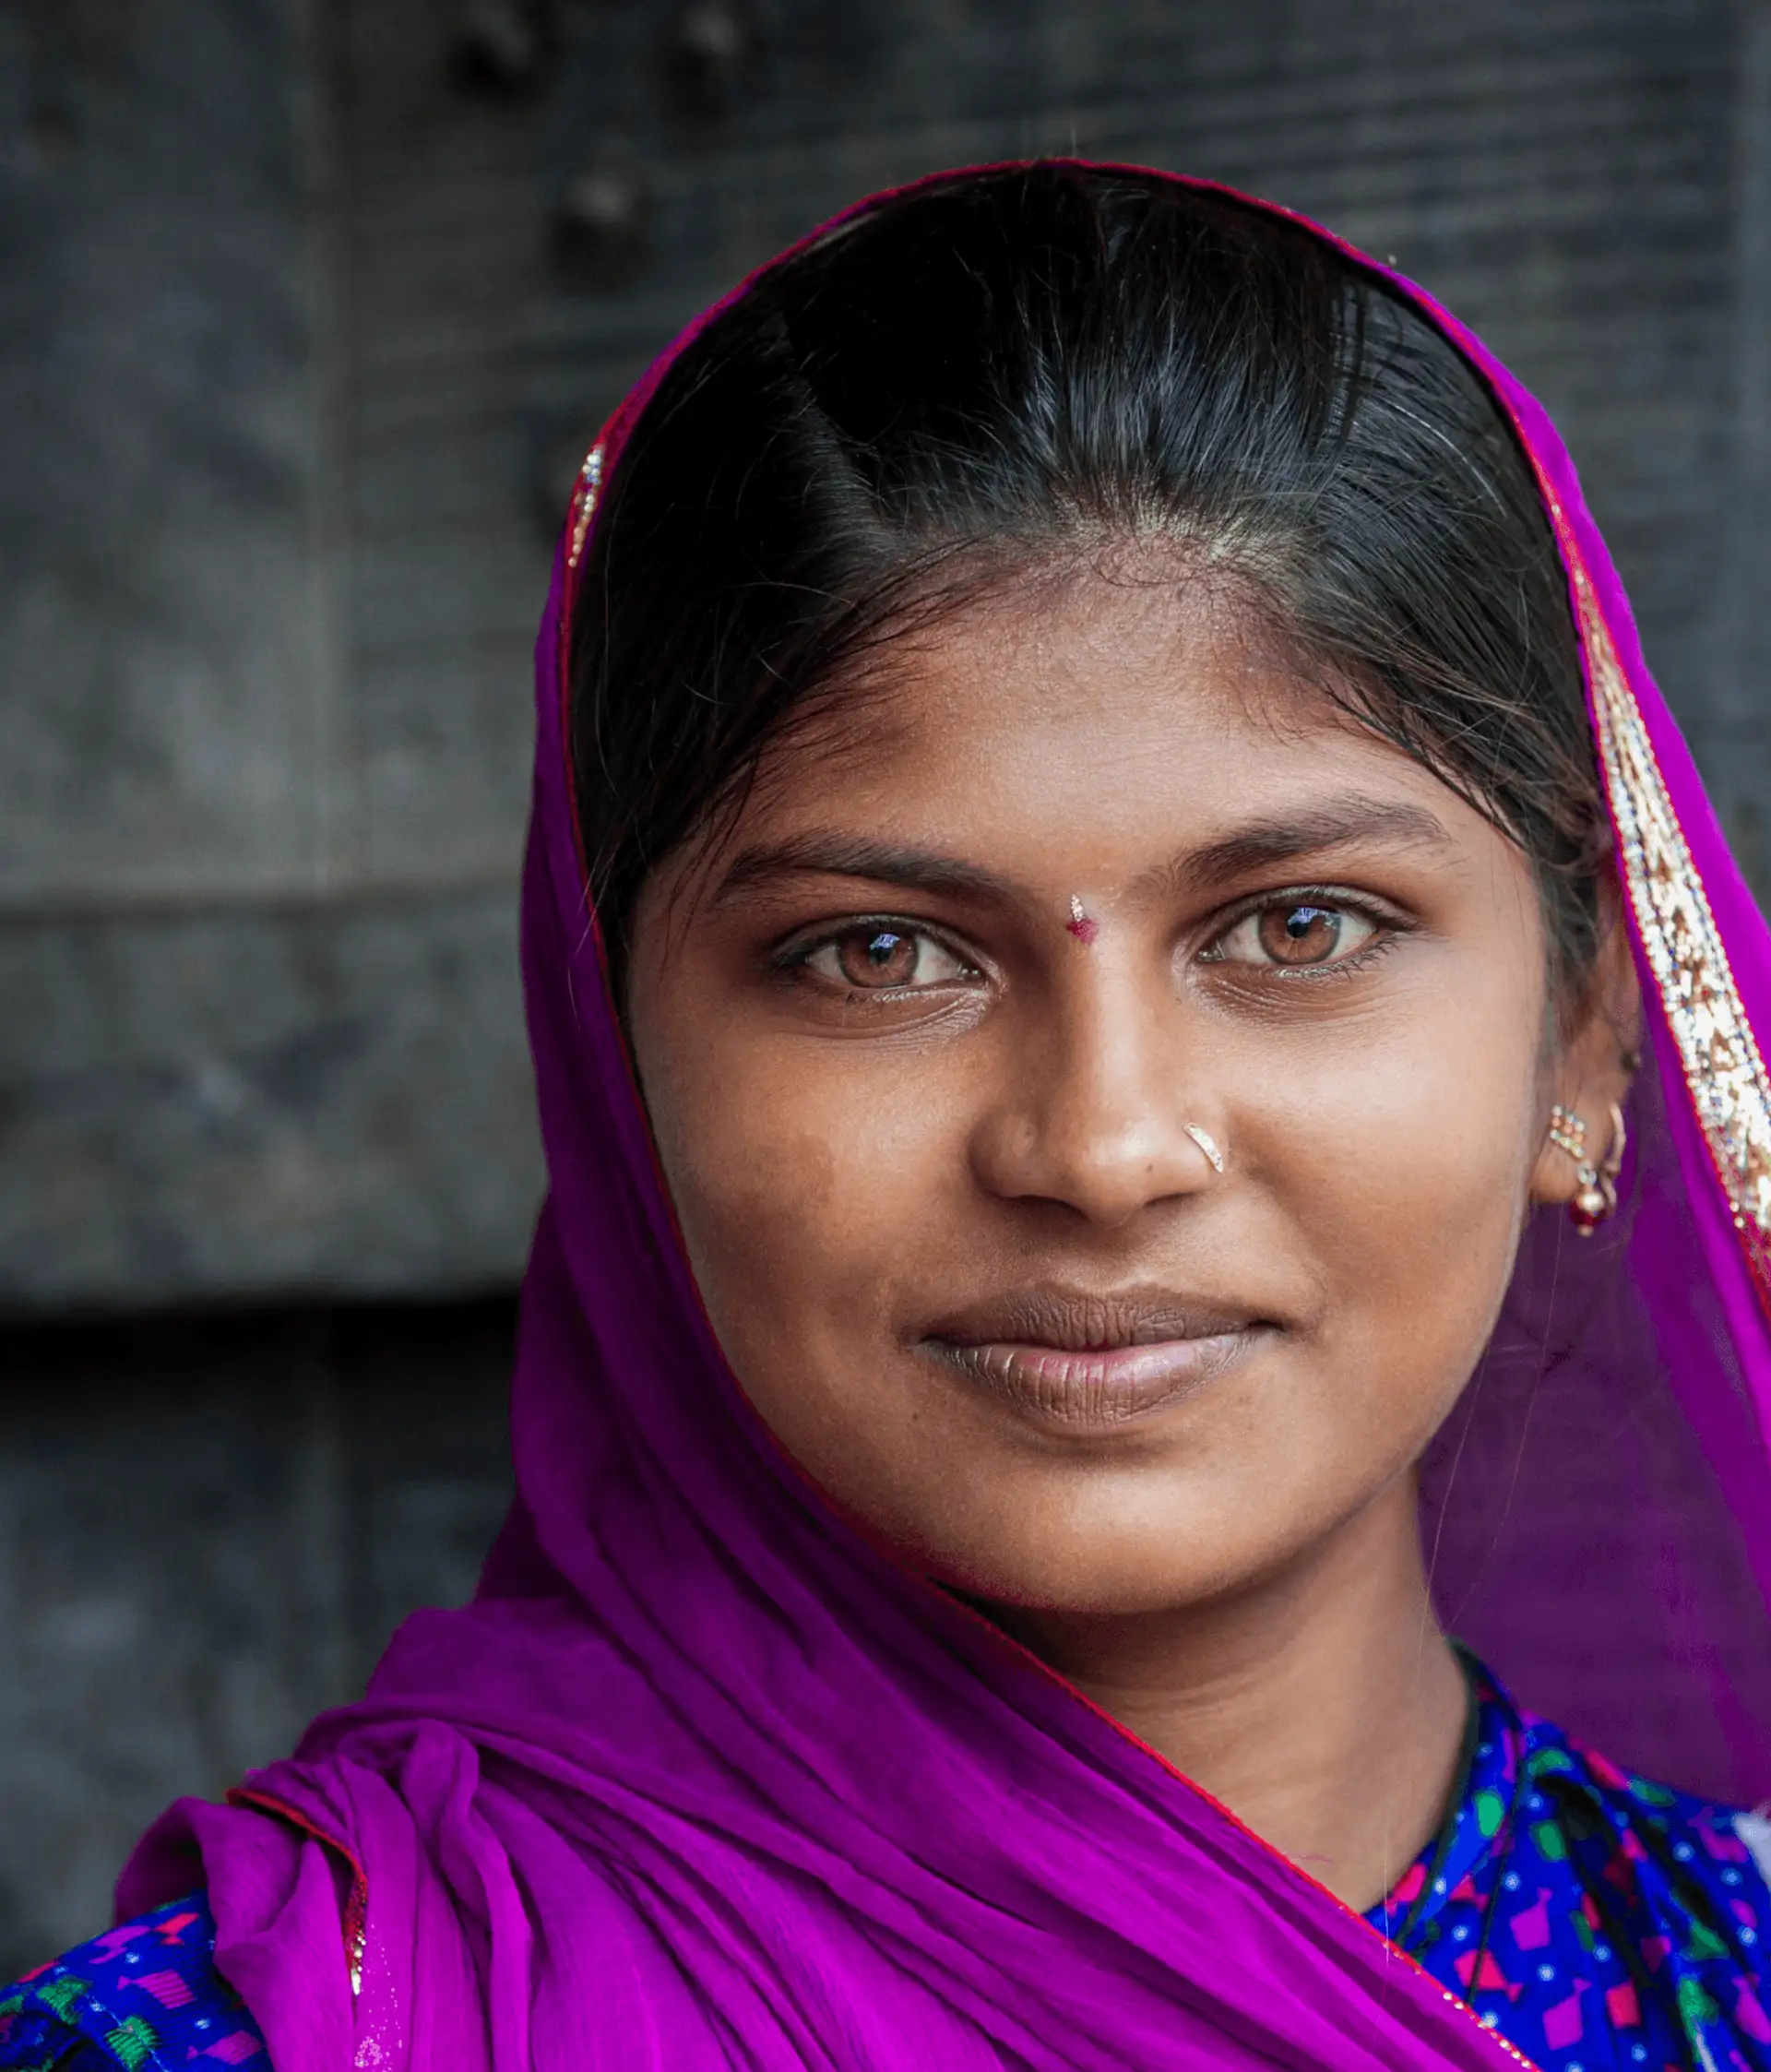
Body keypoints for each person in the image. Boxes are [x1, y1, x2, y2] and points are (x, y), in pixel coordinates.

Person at [6, 161, 1771, 2072]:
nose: (1101, 1149)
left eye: (1298, 925)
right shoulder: (302, 2035)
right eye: (879, 956)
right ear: (619, 1057)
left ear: (1586, 1030)